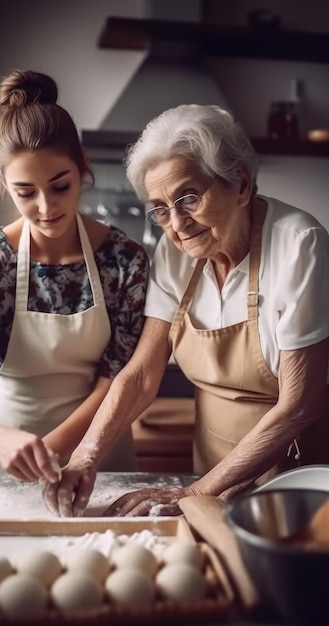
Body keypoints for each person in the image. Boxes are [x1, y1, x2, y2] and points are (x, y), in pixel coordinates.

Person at [43, 103, 329, 517]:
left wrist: (194, 495)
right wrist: (86, 455)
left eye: (188, 197)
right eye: (160, 208)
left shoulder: (300, 244)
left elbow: (300, 404)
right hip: (211, 467)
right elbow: (142, 374)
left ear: (242, 185)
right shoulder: (174, 254)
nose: (176, 223)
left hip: (290, 475)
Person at [0, 69, 149, 481]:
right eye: (26, 193)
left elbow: (118, 377)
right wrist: (0, 441)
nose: (46, 207)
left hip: (100, 449)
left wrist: (60, 447)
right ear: (5, 184)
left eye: (60, 186)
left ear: (83, 169)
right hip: (12, 460)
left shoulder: (124, 259)